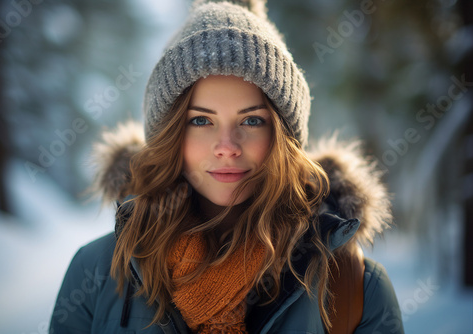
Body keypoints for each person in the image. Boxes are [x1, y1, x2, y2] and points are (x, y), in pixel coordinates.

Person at [50, 0, 404, 333]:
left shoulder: (354, 284)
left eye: (251, 122)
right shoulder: (95, 272)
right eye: (201, 121)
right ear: (170, 134)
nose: (227, 147)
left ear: (284, 138)